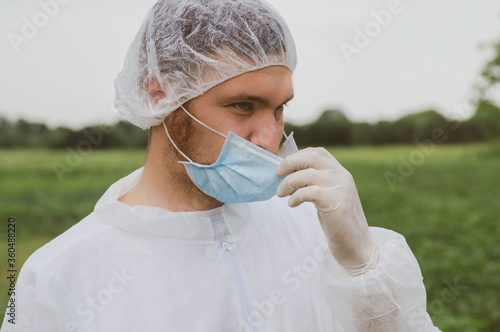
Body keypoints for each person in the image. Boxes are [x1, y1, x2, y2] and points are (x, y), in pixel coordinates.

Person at [2, 0, 441, 331]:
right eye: (243, 105)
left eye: (278, 108)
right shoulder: (62, 273)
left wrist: (363, 265)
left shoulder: (309, 229)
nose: (270, 137)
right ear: (159, 95)